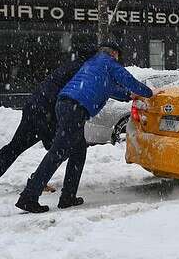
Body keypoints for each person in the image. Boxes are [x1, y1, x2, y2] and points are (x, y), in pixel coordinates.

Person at [15, 42, 154, 213]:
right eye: (118, 56)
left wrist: (130, 96)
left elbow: (110, 89)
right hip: (75, 108)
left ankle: (68, 196)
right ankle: (29, 196)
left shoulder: (93, 65)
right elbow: (128, 80)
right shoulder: (108, 62)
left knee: (79, 151)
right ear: (114, 54)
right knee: (57, 153)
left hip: (66, 104)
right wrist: (150, 93)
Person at [0, 45, 97, 185]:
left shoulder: (71, 66)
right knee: (62, 148)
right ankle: (37, 182)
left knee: (16, 146)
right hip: (48, 111)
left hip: (34, 106)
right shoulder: (82, 71)